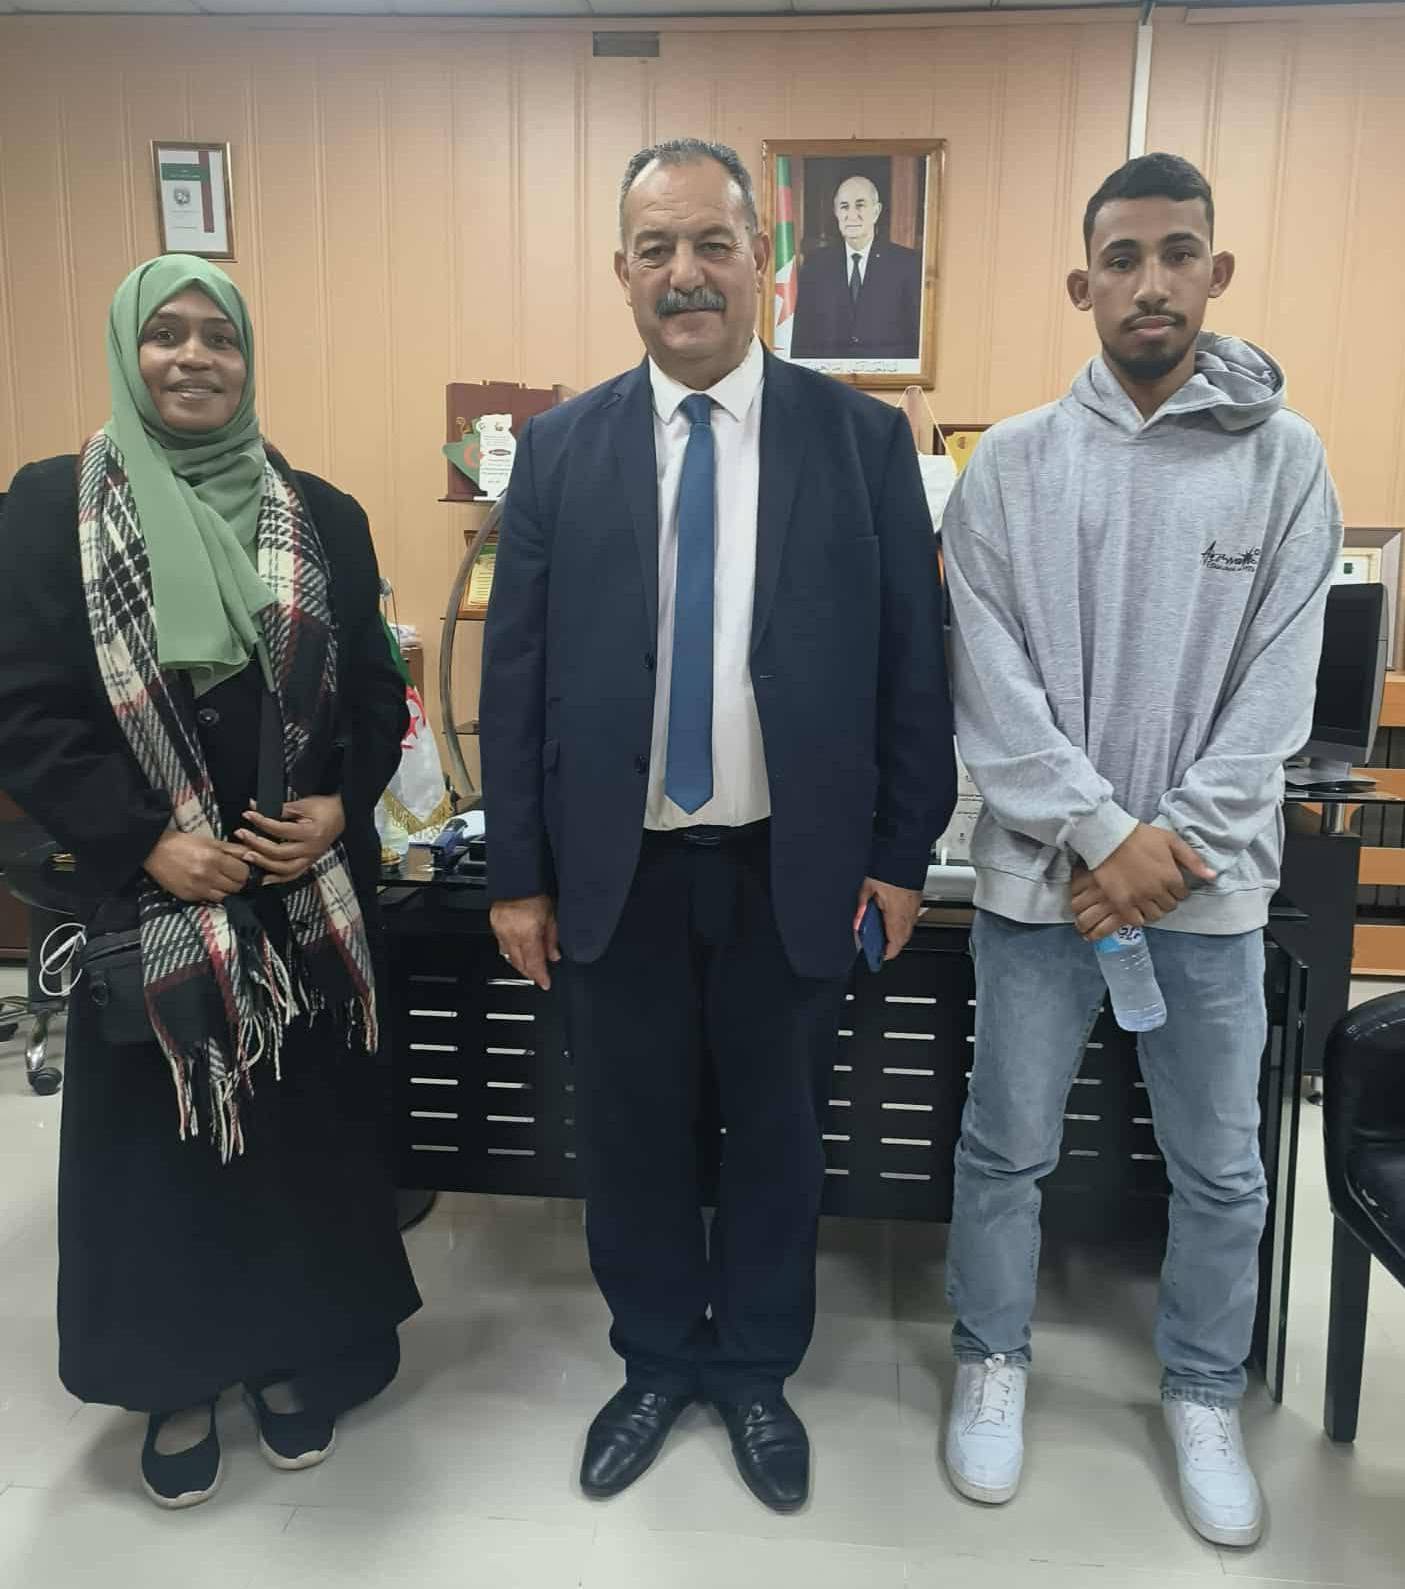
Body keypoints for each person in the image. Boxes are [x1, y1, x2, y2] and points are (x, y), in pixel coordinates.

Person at [481, 137, 953, 1513]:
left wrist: (901, 854)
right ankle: (651, 1359)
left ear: (765, 263)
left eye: (711, 244)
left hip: (788, 866)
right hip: (614, 870)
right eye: (656, 250)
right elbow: (515, 675)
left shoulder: (860, 440)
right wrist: (517, 874)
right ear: (620, 271)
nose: (684, 273)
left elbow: (912, 664)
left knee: (778, 1132)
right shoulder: (558, 451)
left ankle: (752, 1367)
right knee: (628, 1134)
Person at [940, 153, 1340, 1547]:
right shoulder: (1012, 466)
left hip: (1207, 897)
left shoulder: (1285, 461)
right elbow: (988, 682)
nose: (1150, 282)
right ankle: (990, 1357)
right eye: (1122, 258)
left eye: (1178, 254)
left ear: (1215, 272)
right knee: (1004, 1147)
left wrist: (1173, 849)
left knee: (1223, 1167)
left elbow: (1278, 689)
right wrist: (1107, 837)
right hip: (1043, 888)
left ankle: (1202, 1385)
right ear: (1083, 283)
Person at [0, 257, 421, 1509]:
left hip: (299, 894)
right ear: (128, 351)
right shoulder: (48, 507)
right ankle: (174, 1378)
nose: (194, 358)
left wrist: (341, 802)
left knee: (298, 1140)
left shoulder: (322, 512)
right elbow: (23, 710)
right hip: (153, 903)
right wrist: (145, 841)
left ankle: (294, 1352)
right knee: (166, 1147)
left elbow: (373, 691)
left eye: (218, 338)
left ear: (247, 360)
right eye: (166, 335)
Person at [790, 174, 923, 361]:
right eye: (844, 207)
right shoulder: (815, 266)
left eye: (860, 205)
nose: (852, 215)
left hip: (887, 376)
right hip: (828, 377)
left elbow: (916, 343)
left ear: (876, 211)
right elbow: (802, 339)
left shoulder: (907, 264)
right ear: (836, 212)